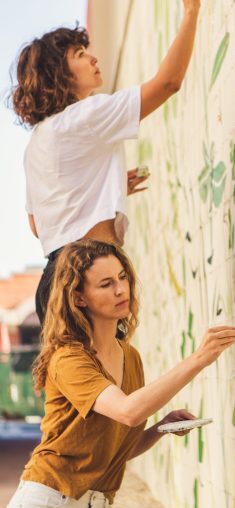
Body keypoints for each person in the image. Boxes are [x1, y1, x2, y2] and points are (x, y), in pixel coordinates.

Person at [5, 239, 235, 508]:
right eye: (106, 284)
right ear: (78, 297)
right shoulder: (69, 359)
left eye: (122, 278)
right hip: (48, 502)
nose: (120, 290)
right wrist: (199, 359)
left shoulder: (131, 357)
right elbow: (129, 412)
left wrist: (160, 428)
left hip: (97, 506)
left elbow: (115, 451)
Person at [9, 0, 201, 325]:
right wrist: (191, 13)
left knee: (80, 376)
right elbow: (168, 83)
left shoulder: (38, 141)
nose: (93, 57)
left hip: (54, 282)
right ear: (60, 74)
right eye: (80, 55)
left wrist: (102, 186)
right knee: (108, 376)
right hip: (89, 273)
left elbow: (37, 224)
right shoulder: (86, 115)